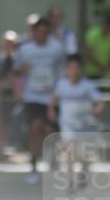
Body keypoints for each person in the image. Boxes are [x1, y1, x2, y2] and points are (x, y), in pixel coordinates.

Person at [13, 14, 66, 183]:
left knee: (51, 131)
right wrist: (22, 70)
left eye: (45, 31)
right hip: (33, 96)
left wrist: (59, 93)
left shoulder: (57, 48)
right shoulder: (25, 49)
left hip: (51, 96)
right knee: (34, 128)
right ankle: (34, 167)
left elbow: (63, 70)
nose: (42, 34)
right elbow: (15, 72)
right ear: (33, 32)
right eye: (39, 31)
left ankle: (55, 163)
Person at [48, 53, 103, 189]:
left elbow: (99, 102)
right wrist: (51, 111)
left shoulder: (87, 86)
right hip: (67, 124)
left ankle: (83, 173)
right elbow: (54, 100)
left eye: (75, 68)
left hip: (84, 124)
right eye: (70, 68)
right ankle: (70, 181)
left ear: (80, 69)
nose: (73, 71)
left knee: (83, 153)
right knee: (70, 151)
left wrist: (96, 110)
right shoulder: (62, 85)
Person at [84, 16, 110, 80]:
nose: (108, 31)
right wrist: (102, 66)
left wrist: (107, 68)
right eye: (107, 28)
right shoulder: (93, 33)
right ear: (103, 25)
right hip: (91, 73)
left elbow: (109, 54)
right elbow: (88, 55)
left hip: (104, 73)